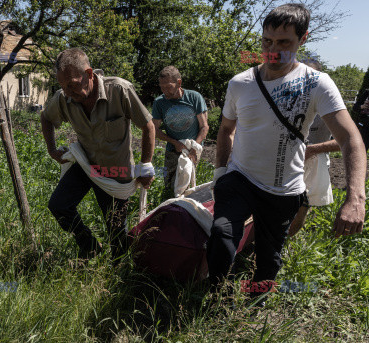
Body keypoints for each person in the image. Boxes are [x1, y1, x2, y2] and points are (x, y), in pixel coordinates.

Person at [207, 3, 366, 303]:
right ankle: (216, 297)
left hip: (283, 189)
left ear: (302, 39)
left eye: (284, 43)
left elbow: (350, 139)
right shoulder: (240, 83)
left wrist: (356, 197)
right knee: (221, 236)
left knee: (269, 259)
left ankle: (256, 303)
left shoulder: (317, 84)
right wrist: (220, 174)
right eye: (267, 41)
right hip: (239, 179)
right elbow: (226, 129)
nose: (273, 51)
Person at [41, 48, 155, 260]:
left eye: (73, 84)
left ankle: (118, 272)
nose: (67, 92)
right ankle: (91, 246)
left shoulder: (119, 90)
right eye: (63, 86)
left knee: (116, 231)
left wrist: (145, 166)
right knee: (59, 206)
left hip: (116, 172)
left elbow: (148, 126)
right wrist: (52, 149)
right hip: (86, 166)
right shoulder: (64, 98)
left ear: (89, 74)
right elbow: (46, 118)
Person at [288, 59, 341, 236]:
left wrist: (312, 149)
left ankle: (285, 241)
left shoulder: (328, 107)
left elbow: (344, 141)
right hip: (286, 162)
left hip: (313, 164)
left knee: (302, 206)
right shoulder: (288, 102)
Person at [152, 66, 209, 200]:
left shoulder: (194, 98)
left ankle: (186, 213)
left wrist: (194, 148)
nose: (165, 91)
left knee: (186, 186)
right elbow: (155, 129)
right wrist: (175, 143)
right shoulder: (159, 102)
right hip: (172, 150)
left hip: (192, 149)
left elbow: (204, 127)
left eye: (168, 86)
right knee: (170, 186)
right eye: (162, 87)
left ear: (179, 83)